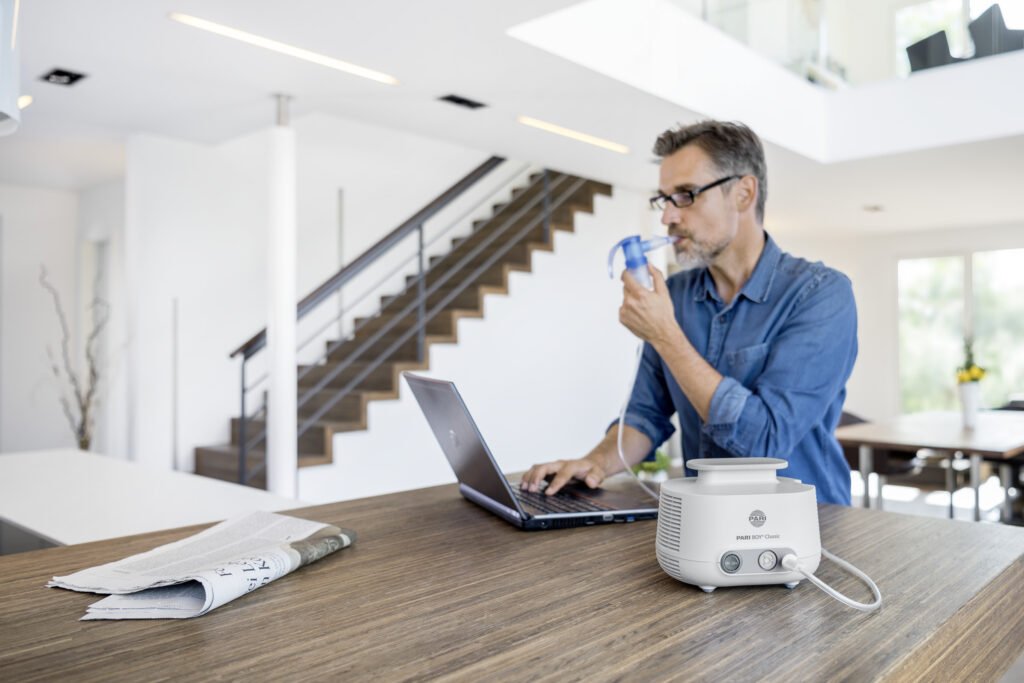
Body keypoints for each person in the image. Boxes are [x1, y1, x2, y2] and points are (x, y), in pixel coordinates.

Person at [520, 120, 857, 505]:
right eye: (664, 199)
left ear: (744, 193)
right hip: (705, 523)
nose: (668, 217)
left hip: (809, 529)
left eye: (686, 195)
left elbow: (765, 442)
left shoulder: (821, 294)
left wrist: (666, 335)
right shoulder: (675, 296)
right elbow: (645, 416)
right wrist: (593, 463)